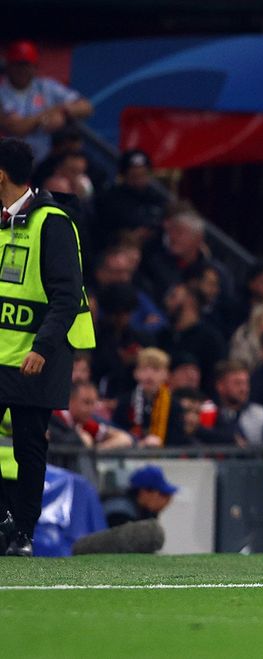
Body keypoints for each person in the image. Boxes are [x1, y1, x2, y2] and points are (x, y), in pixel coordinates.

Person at [0, 137, 95, 556]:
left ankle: (22, 533)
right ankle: (6, 520)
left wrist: (41, 347)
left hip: (36, 355)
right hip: (2, 351)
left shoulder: (51, 223)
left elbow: (66, 295)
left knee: (29, 446)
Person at [0, 41, 94, 163]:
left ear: (35, 66)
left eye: (27, 65)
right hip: (12, 161)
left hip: (47, 158)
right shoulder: (2, 92)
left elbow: (86, 107)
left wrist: (64, 113)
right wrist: (50, 113)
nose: (22, 70)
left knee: (78, 160)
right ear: (9, 66)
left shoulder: (45, 86)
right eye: (18, 65)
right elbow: (18, 128)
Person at [113, 347, 177, 447]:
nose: (149, 375)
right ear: (136, 373)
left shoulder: (174, 405)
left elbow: (177, 440)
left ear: (166, 374)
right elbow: (118, 432)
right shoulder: (125, 402)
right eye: (144, 369)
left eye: (156, 369)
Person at [49, 380, 134, 450]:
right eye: (86, 402)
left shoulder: (82, 422)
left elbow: (125, 439)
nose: (91, 409)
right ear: (69, 401)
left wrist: (96, 450)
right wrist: (82, 440)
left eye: (93, 403)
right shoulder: (54, 418)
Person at [213, 360, 263, 448]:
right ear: (220, 386)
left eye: (246, 383)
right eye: (237, 383)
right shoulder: (210, 414)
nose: (244, 389)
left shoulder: (260, 413)